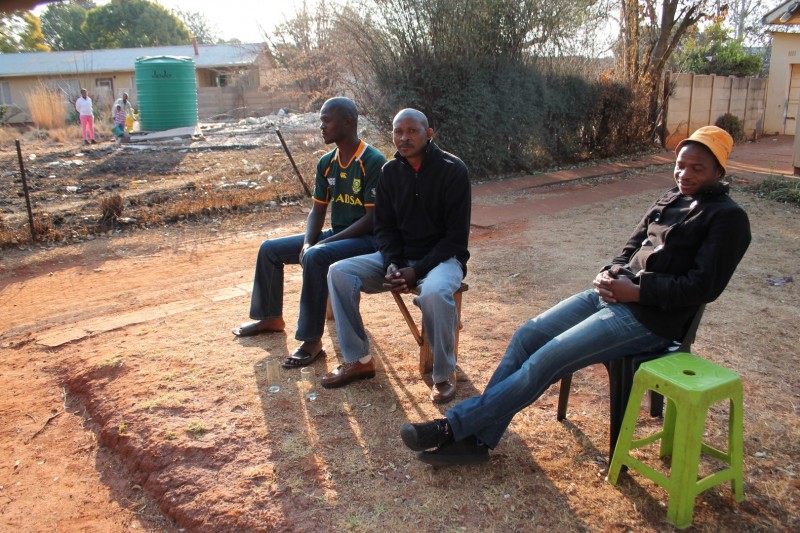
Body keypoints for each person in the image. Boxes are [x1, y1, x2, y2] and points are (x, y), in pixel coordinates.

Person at [399, 125, 751, 465]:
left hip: (651, 318)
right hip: (613, 294)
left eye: (697, 169)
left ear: (718, 171)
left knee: (546, 360)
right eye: (680, 165)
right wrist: (609, 272)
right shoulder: (671, 197)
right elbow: (630, 246)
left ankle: (454, 427)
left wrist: (637, 291)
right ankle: (476, 440)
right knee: (527, 336)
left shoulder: (728, 218)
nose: (684, 174)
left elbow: (703, 287)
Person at [322, 108, 471, 404]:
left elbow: (455, 239)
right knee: (339, 272)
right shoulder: (389, 172)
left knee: (435, 292)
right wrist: (393, 263)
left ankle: (444, 375)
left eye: (412, 131)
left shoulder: (453, 170)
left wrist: (417, 270)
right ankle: (359, 360)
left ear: (428, 134)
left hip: (443, 260)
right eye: (398, 131)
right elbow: (384, 228)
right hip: (399, 259)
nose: (404, 138)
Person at [232, 97, 386, 370]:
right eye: (320, 121)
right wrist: (307, 243)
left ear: (348, 122)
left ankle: (311, 341)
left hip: (367, 240)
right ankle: (270, 317)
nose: (321, 126)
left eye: (326, 121)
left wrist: (320, 246)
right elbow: (317, 210)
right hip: (338, 234)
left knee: (316, 256)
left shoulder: (372, 161)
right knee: (270, 249)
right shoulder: (326, 162)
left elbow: (371, 220)